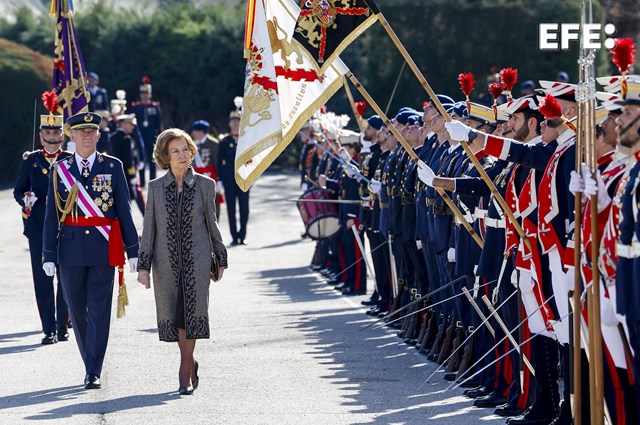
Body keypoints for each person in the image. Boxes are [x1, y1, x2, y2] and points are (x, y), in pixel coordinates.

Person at [42, 112, 139, 390]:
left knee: (98, 310)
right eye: (80, 131)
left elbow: (124, 209)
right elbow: (52, 215)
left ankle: (93, 369)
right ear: (71, 136)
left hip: (102, 247)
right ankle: (90, 362)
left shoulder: (113, 166)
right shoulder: (60, 168)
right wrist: (48, 254)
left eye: (91, 132)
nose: (86, 136)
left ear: (98, 136)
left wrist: (133, 250)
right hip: (70, 250)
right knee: (78, 311)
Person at [136, 128, 228, 395]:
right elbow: (149, 229)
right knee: (175, 317)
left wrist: (220, 257)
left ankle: (183, 372)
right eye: (175, 150)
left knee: (192, 314)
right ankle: (191, 361)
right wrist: (143, 267)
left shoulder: (205, 185)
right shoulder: (154, 188)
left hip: (197, 260)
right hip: (165, 263)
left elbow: (212, 224)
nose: (182, 155)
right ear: (165, 156)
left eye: (185, 149)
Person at [13, 92, 71, 345]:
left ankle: (62, 326)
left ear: (62, 135)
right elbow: (18, 190)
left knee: (66, 278)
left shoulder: (70, 161)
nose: (51, 138)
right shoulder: (31, 161)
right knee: (43, 279)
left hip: (67, 228)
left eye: (56, 134)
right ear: (41, 136)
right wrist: (25, 198)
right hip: (38, 229)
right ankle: (48, 328)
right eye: (47, 135)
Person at [218, 108, 250, 245]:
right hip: (229, 179)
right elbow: (219, 161)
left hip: (244, 179)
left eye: (238, 121)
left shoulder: (247, 139)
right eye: (233, 121)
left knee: (244, 209)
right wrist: (219, 179)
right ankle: (234, 236)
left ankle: (242, 236)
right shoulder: (225, 141)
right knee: (231, 209)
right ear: (230, 124)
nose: (236, 124)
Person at [130, 77, 163, 187]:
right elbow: (133, 123)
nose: (144, 95)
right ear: (140, 94)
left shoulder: (155, 106)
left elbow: (159, 123)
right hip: (140, 137)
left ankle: (152, 181)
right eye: (143, 93)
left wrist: (160, 137)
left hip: (152, 137)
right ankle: (143, 182)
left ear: (150, 94)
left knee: (152, 159)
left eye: (146, 93)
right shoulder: (136, 107)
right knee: (141, 160)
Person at [191, 120, 222, 218]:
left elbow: (218, 162)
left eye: (195, 131)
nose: (193, 133)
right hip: (198, 177)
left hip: (211, 176)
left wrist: (219, 178)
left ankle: (214, 225)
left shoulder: (213, 143)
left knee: (213, 202)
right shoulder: (193, 145)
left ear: (201, 131)